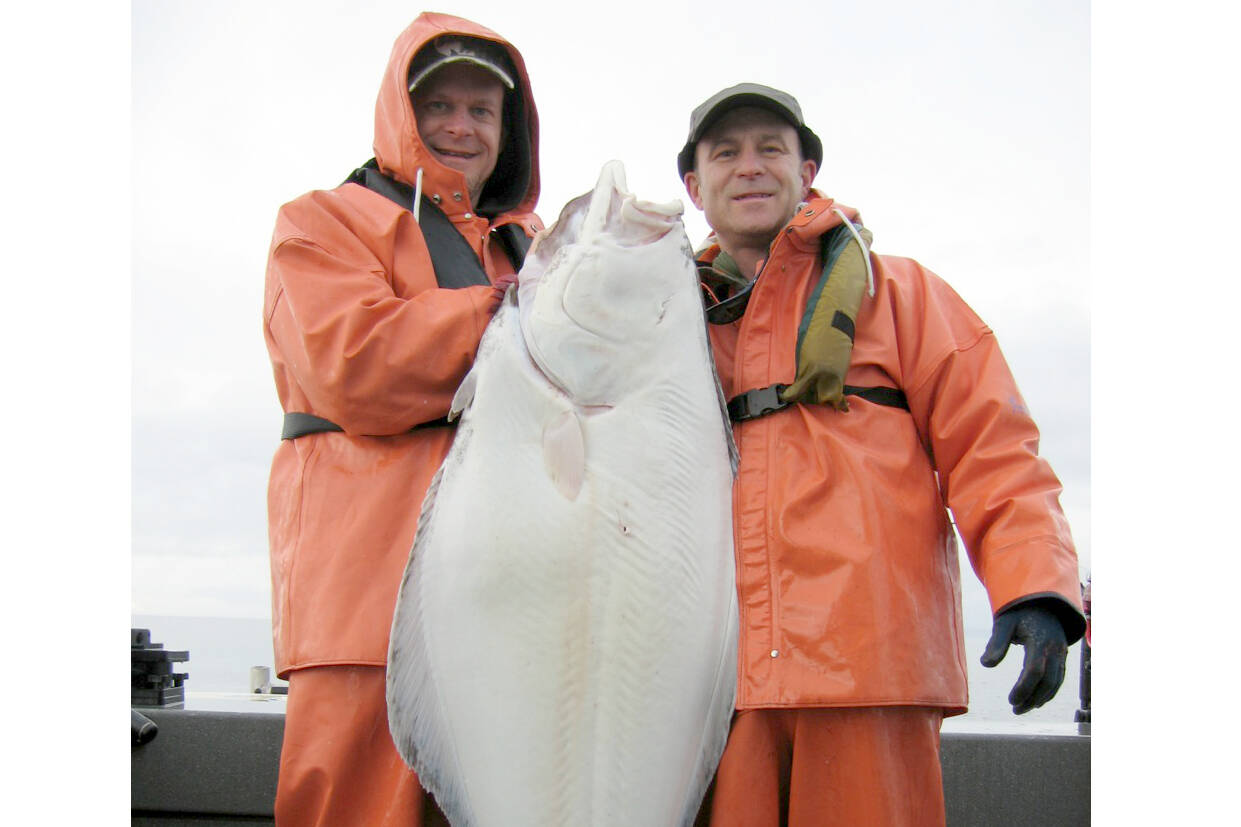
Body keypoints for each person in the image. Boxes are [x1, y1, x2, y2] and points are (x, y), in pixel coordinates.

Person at [678, 84, 1086, 826]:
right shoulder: (664, 319)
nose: (750, 166)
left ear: (807, 172)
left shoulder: (906, 294)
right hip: (714, 688)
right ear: (693, 186)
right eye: (725, 153)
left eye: (771, 148)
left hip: (871, 672)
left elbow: (995, 450)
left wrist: (1035, 588)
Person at [261, 12, 542, 825]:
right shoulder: (320, 221)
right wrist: (513, 312)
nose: (461, 126)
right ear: (400, 112)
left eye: (482, 110)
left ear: (508, 129)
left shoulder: (535, 249)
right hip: (364, 614)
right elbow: (354, 364)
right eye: (438, 106)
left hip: (509, 614)